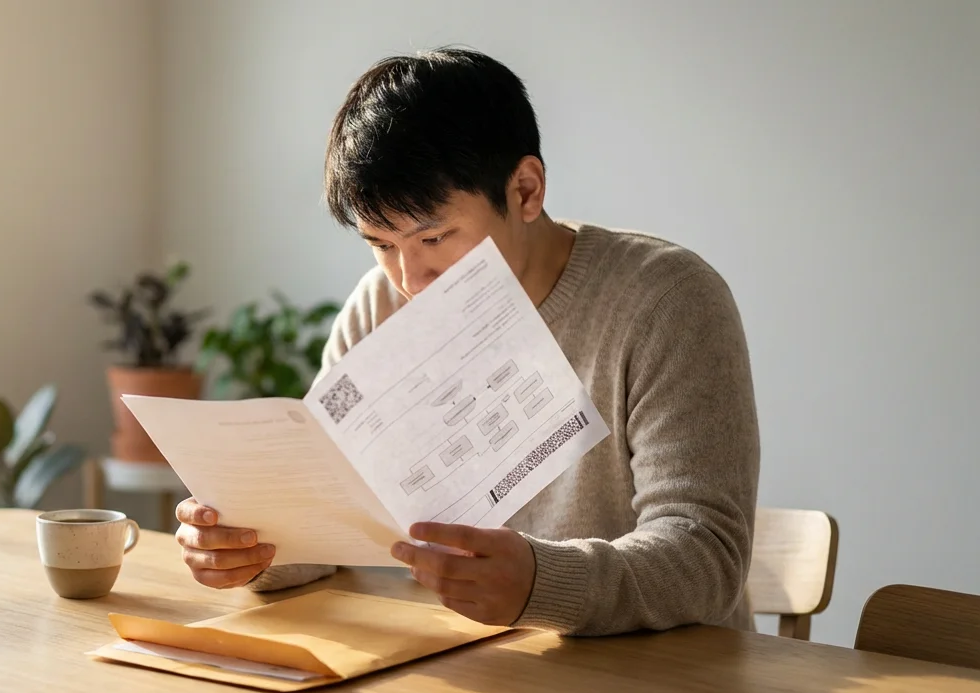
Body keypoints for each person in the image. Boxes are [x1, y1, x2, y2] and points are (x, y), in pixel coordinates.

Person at [173, 47, 759, 636]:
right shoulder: (379, 308)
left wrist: (542, 583)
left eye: (435, 237)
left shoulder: (666, 300)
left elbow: (706, 554)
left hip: (664, 685)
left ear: (526, 191)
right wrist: (250, 547)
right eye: (381, 243)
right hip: (460, 675)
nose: (409, 280)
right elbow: (338, 521)